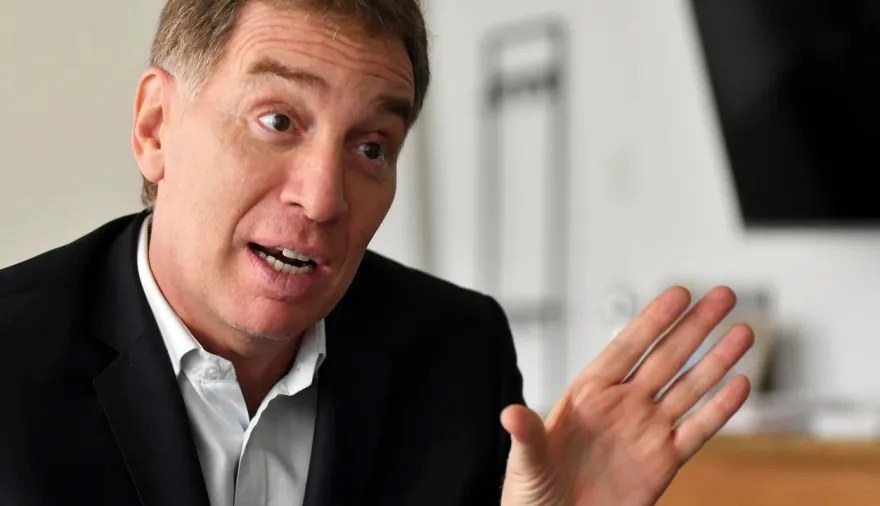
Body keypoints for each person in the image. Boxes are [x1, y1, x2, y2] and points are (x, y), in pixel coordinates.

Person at [0, 1, 754, 505]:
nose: (324, 198)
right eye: (278, 120)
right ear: (156, 126)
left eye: (370, 147)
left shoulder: (459, 357)